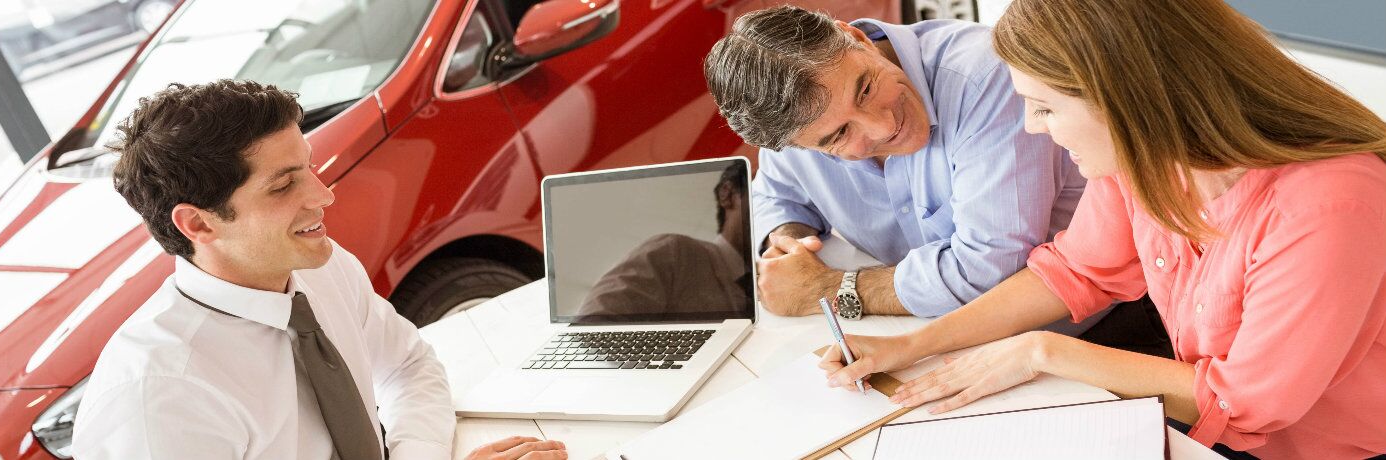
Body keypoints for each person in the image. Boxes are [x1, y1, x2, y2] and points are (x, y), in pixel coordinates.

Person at [819, 1, 1386, 458]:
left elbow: (1247, 403)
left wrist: (1042, 351)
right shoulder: (1143, 157)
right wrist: (911, 346)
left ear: (1127, 98)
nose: (1031, 127)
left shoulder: (1326, 205)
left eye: (1044, 108)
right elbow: (1074, 272)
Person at [72, 80, 567, 460]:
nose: (324, 195)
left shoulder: (320, 270)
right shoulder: (155, 394)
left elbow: (407, 367)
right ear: (198, 223)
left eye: (308, 168)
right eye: (283, 185)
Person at [703, 6, 1086, 319]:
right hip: (924, 335)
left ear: (857, 38)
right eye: (840, 135)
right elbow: (775, 198)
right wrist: (791, 247)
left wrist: (828, 288)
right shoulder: (794, 127)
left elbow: (991, 270)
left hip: (1068, 332)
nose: (883, 127)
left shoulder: (985, 76)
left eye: (866, 89)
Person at [576, 162, 752, 317]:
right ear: (727, 194)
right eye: (761, 194)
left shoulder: (759, 282)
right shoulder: (676, 253)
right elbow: (593, 325)